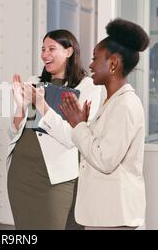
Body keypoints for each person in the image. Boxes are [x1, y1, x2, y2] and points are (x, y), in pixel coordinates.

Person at [7, 29, 103, 229]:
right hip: (21, 172)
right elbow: (14, 131)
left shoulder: (88, 87)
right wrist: (20, 105)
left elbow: (72, 137)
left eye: (51, 49)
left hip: (54, 178)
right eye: (43, 49)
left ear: (69, 52)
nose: (44, 54)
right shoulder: (34, 81)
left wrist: (42, 105)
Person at [60, 18, 149, 230]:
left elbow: (105, 160)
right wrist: (84, 124)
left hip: (115, 216)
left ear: (113, 63)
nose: (89, 64)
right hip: (105, 213)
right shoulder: (112, 100)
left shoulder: (125, 105)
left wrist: (78, 126)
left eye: (94, 58)